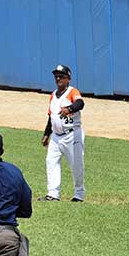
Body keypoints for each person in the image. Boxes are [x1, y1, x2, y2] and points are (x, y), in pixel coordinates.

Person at [39, 64, 86, 202]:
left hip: (72, 135)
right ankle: (53, 194)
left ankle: (79, 194)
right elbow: (51, 116)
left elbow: (80, 103)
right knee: (51, 162)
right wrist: (46, 134)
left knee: (76, 165)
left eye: (61, 76)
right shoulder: (53, 95)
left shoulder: (72, 91)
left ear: (68, 78)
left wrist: (70, 109)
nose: (58, 78)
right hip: (56, 137)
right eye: (56, 76)